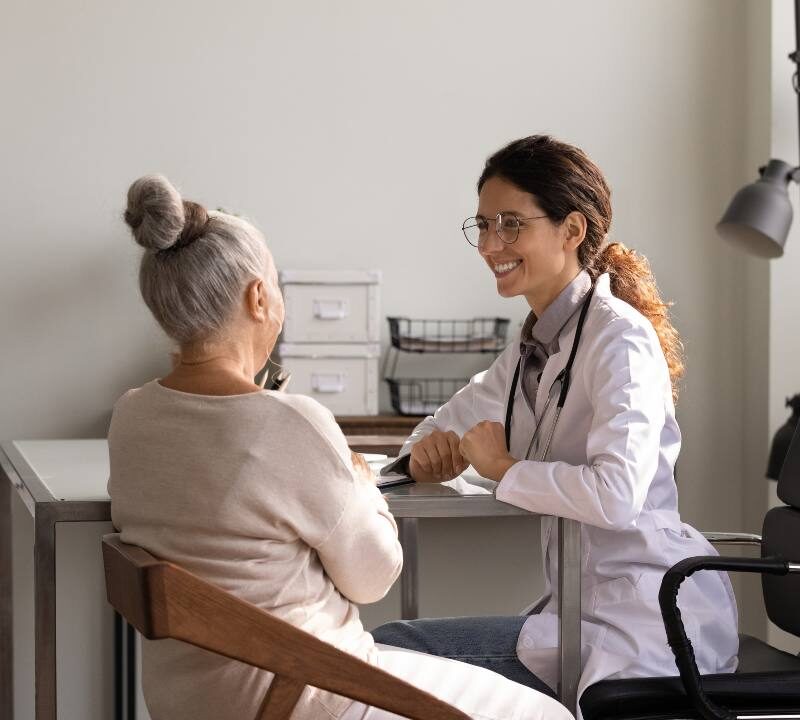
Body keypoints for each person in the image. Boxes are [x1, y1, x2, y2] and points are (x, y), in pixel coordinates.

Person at [107, 174, 574, 720]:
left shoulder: (132, 414)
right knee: (552, 715)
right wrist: (355, 479)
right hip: (307, 692)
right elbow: (374, 577)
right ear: (259, 297)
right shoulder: (290, 423)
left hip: (191, 701)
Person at [372, 135, 739, 714]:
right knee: (387, 656)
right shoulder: (530, 352)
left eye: (511, 224)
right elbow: (433, 430)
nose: (490, 244)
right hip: (578, 611)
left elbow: (616, 495)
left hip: (642, 621)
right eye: (483, 225)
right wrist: (426, 456)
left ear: (571, 231)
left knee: (384, 655)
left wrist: (504, 468)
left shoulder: (620, 340)